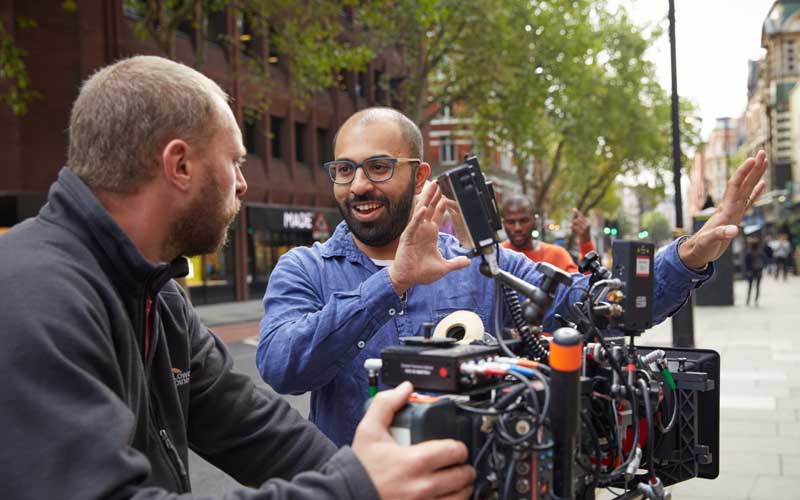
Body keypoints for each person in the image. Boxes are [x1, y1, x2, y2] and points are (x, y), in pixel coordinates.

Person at [0, 57, 475, 500]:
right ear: (179, 165)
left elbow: (253, 427)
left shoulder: (158, 295)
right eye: (235, 162)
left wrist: (391, 480)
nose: (243, 184)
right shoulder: (34, 296)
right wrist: (354, 487)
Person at [256, 106, 768, 447]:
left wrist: (689, 256)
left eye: (378, 167)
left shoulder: (488, 266)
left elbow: (602, 307)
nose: (358, 185)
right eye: (344, 170)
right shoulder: (304, 268)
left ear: (419, 176)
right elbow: (282, 368)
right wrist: (390, 283)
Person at [501, 197, 595, 273]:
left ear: (535, 220)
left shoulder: (557, 255)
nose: (517, 228)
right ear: (503, 223)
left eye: (524, 221)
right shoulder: (496, 256)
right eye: (511, 222)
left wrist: (586, 242)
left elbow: (583, 285)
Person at [744, 236, 767, 306]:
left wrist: (747, 271)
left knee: (750, 286)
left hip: (751, 271)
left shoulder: (749, 253)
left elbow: (746, 263)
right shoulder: (761, 253)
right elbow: (765, 262)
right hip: (759, 271)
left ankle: (748, 300)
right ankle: (756, 300)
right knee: (757, 286)